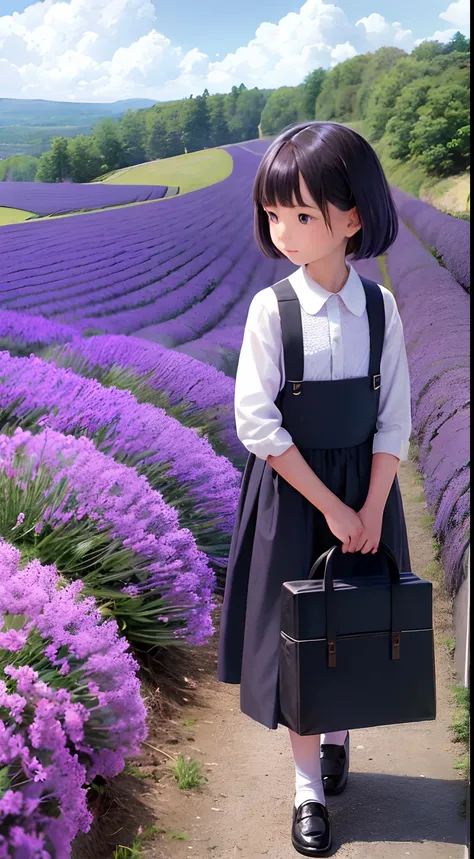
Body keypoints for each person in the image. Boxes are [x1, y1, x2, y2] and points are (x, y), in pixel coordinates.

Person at [217, 121, 411, 856]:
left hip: (368, 488)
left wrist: (368, 504)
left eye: (303, 214)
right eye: (274, 214)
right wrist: (331, 506)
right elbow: (255, 421)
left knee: (355, 627)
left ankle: (338, 737)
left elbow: (396, 413)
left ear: (353, 215)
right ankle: (307, 789)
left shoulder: (380, 307)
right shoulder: (274, 310)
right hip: (294, 497)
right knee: (300, 646)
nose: (285, 231)